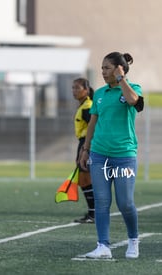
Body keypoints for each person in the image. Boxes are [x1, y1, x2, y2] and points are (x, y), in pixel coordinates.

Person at [79, 52, 144, 259]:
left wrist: (121, 78)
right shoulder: (99, 93)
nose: (103, 72)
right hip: (99, 155)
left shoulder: (132, 89)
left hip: (124, 155)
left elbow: (135, 102)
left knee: (125, 202)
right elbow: (93, 123)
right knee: (102, 201)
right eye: (102, 68)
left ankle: (133, 240)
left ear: (119, 69)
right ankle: (103, 246)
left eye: (107, 68)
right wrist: (85, 149)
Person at [71, 78, 96, 223]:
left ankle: (94, 213)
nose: (74, 91)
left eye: (77, 88)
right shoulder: (83, 105)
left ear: (86, 90)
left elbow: (94, 127)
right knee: (84, 179)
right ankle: (93, 213)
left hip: (87, 144)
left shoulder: (88, 106)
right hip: (83, 143)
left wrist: (85, 149)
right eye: (73, 88)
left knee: (85, 178)